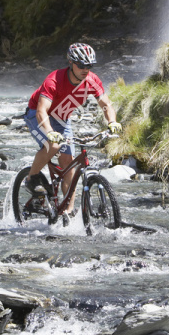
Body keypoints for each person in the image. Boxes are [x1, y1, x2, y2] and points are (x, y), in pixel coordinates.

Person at [23, 43, 122, 217]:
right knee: (52, 146)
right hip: (36, 115)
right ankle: (31, 178)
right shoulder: (54, 80)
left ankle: (67, 211)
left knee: (68, 163)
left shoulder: (92, 80)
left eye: (89, 66)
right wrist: (50, 132)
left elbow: (106, 104)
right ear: (70, 62)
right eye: (81, 65)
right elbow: (41, 111)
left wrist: (112, 122)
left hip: (62, 117)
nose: (85, 69)